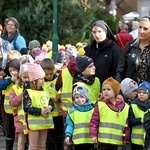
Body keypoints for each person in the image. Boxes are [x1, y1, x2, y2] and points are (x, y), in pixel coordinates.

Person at [89, 77, 130, 150]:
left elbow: (126, 124)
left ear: (115, 91)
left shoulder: (125, 107)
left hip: (117, 141)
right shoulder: (100, 104)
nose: (105, 91)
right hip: (103, 141)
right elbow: (94, 121)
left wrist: (126, 138)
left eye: (108, 89)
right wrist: (93, 135)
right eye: (104, 90)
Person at [23, 64, 54, 150]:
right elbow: (27, 107)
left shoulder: (45, 90)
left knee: (42, 146)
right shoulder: (28, 92)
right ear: (33, 81)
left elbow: (51, 102)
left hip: (44, 123)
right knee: (33, 146)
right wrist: (40, 111)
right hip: (34, 124)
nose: (43, 81)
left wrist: (50, 107)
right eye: (41, 79)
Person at [115, 16, 150, 85]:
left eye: (145, 29)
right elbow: (119, 71)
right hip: (130, 92)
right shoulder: (130, 46)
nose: (141, 31)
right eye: (140, 27)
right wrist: (119, 92)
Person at [41, 58, 64, 150]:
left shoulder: (57, 80)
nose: (49, 76)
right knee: (49, 139)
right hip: (48, 114)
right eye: (46, 74)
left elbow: (63, 90)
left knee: (60, 136)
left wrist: (59, 97)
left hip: (58, 114)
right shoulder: (41, 82)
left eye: (51, 73)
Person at [65, 85, 94, 150]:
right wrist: (68, 135)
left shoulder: (93, 110)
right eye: (77, 97)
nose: (79, 99)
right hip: (78, 141)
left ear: (86, 97)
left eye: (82, 97)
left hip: (90, 140)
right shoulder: (72, 112)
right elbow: (70, 125)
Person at [9, 63, 30, 150]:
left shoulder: (34, 87)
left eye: (29, 77)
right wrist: (23, 95)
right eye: (25, 77)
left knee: (31, 142)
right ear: (20, 77)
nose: (27, 80)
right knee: (21, 141)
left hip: (31, 119)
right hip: (20, 120)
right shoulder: (15, 88)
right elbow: (12, 102)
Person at [3, 59, 20, 150]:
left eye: (14, 70)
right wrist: (10, 80)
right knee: (9, 134)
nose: (13, 72)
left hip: (19, 113)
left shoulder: (22, 79)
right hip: (9, 112)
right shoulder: (7, 81)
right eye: (10, 71)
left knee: (20, 134)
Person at [129, 81, 150, 150]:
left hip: (148, 140)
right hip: (136, 141)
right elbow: (130, 120)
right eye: (139, 92)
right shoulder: (133, 105)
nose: (141, 94)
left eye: (144, 93)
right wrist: (139, 120)